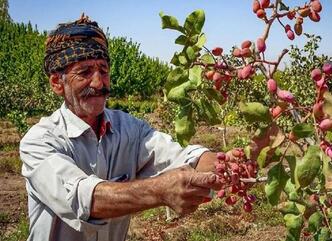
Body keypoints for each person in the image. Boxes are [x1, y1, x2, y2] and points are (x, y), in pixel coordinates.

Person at [19, 14, 224, 241]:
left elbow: (182, 157)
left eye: (103, 71)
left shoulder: (129, 128)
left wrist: (227, 163)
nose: (99, 83)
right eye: (85, 72)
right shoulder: (39, 141)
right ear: (58, 83)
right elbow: (84, 199)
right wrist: (160, 190)